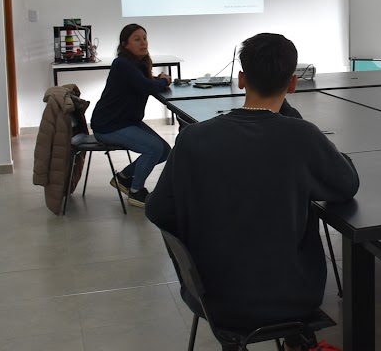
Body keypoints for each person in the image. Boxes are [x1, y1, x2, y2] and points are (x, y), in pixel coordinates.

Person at [146, 33, 359, 335]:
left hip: (211, 297)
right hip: (293, 298)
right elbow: (346, 184)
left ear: (241, 79)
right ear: (293, 83)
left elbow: (157, 210)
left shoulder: (192, 139)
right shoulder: (302, 137)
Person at [91, 23, 172, 208]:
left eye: (144, 38)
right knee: (153, 149)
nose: (143, 43)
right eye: (137, 39)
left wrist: (157, 81)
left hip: (126, 122)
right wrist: (162, 80)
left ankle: (124, 177)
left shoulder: (138, 63)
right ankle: (136, 192)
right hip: (109, 126)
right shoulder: (122, 64)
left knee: (165, 150)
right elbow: (146, 86)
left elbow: (145, 83)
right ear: (125, 44)